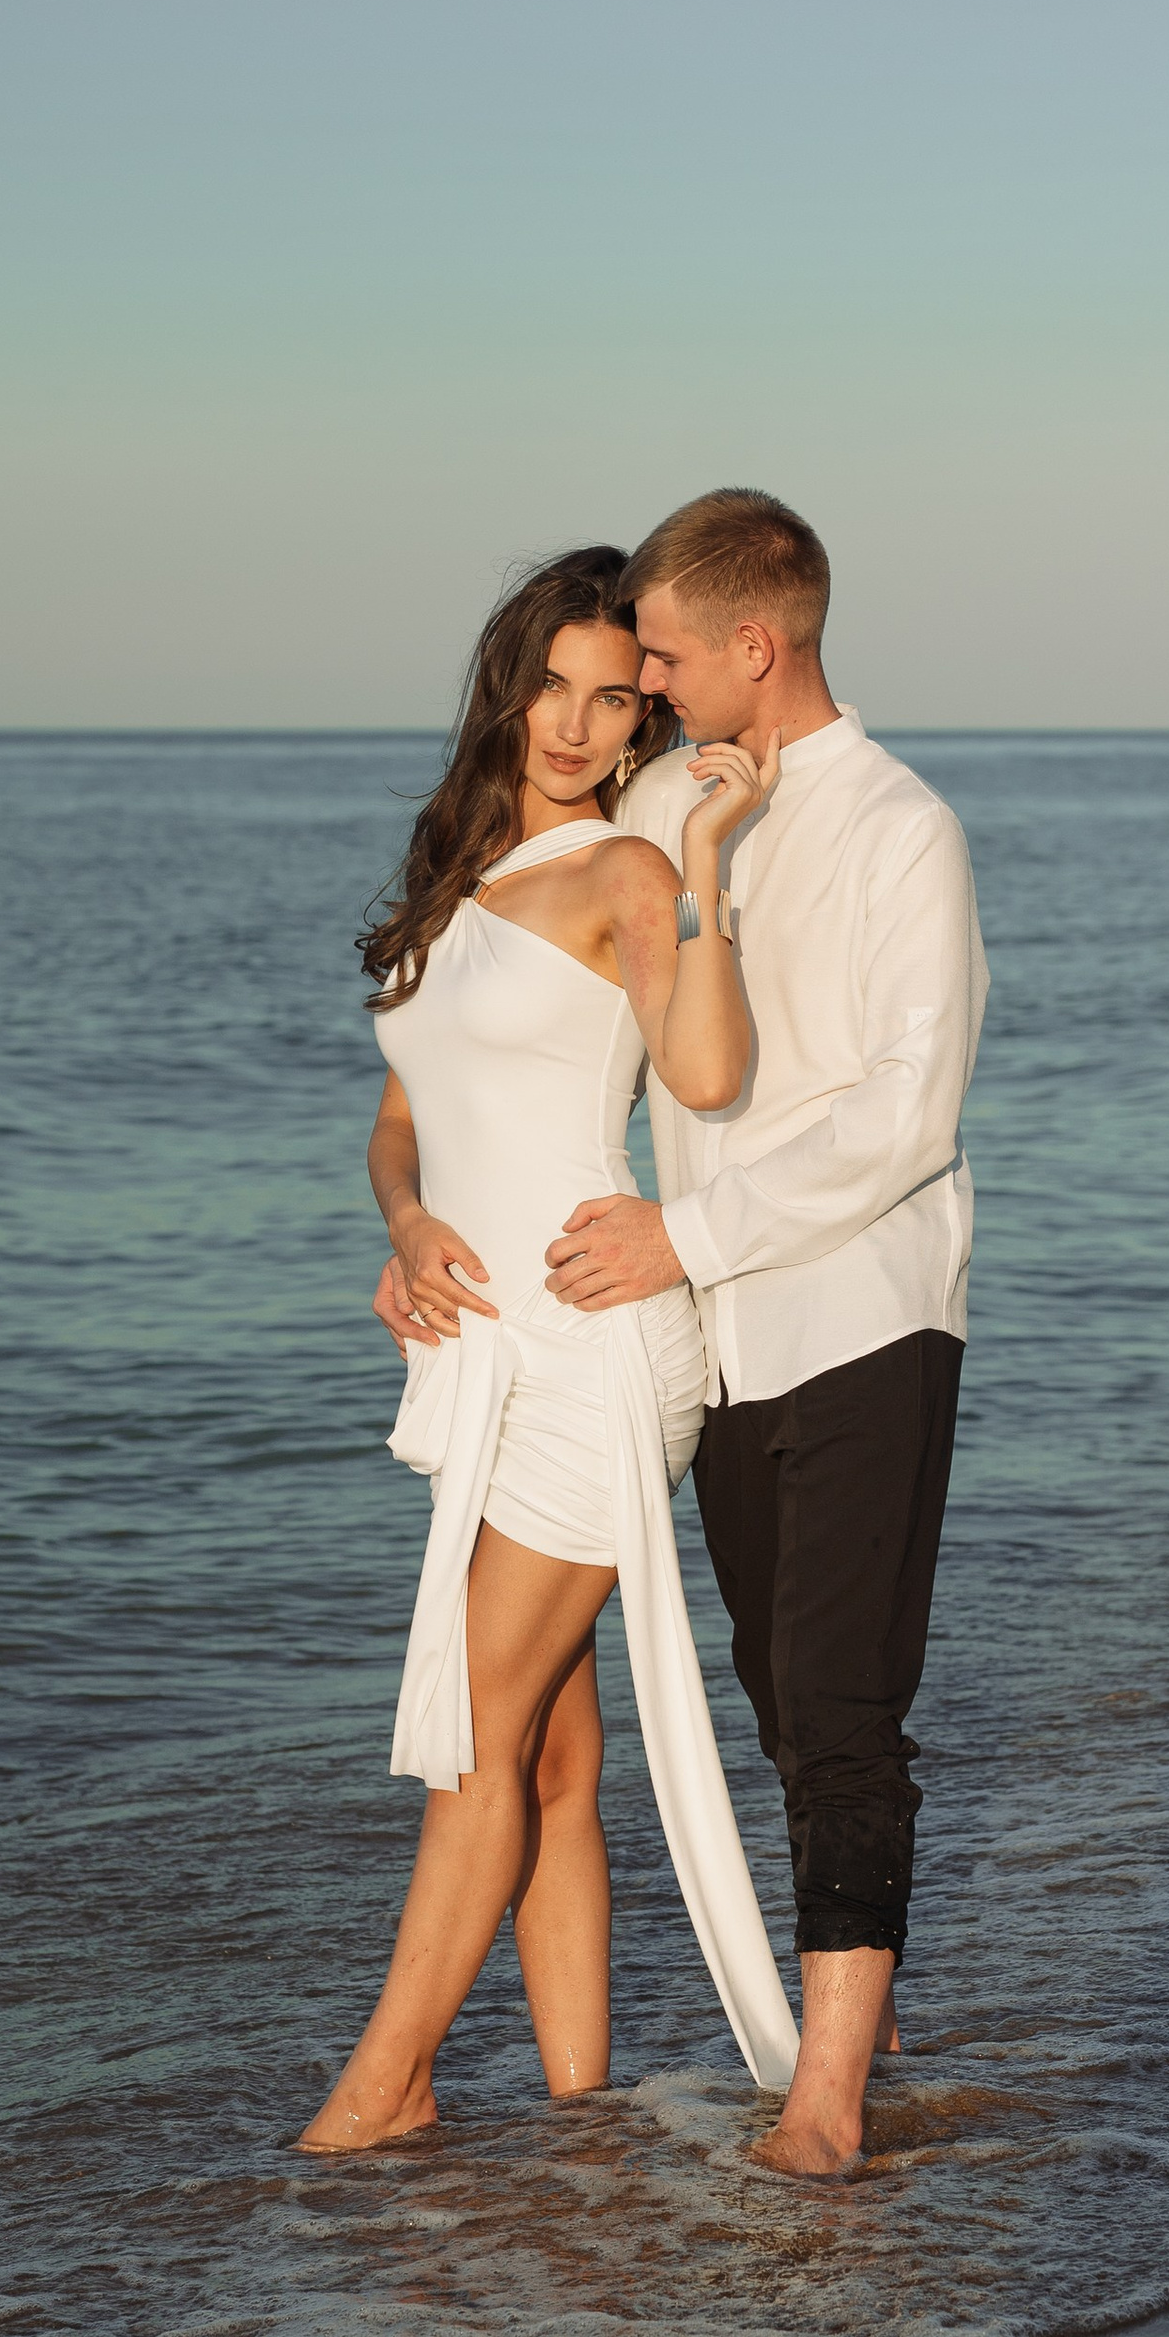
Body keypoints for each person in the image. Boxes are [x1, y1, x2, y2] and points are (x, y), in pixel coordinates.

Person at [384, 489, 989, 2180]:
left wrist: (684, 1232)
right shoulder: (656, 800)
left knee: (844, 1705)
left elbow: (906, 1116)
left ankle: (825, 2101)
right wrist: (428, 1216)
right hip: (702, 1332)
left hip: (866, 1312)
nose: (635, 690)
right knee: (778, 1704)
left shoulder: (898, 829)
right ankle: (782, 2043)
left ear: (753, 646)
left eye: (655, 656)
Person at [301, 546, 799, 2153]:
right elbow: (402, 1119)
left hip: (595, 1354)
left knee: (474, 1735)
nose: (578, 727)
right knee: (554, 1756)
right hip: (486, 1353)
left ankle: (383, 2088)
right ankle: (581, 2117)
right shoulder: (454, 880)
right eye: (555, 688)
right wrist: (404, 1228)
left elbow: (707, 1077)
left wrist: (705, 855)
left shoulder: (624, 877)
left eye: (614, 699)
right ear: (507, 681)